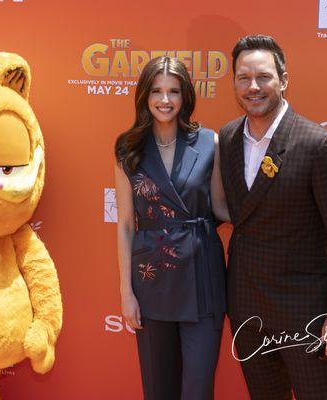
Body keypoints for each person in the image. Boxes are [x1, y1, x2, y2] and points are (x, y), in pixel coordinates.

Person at [219, 34, 327, 399]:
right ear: (234, 82)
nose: (253, 87)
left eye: (263, 77)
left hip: (306, 312)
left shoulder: (318, 144)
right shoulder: (228, 137)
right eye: (243, 77)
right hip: (247, 308)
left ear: (283, 80)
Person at [114, 56, 229, 400]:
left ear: (185, 96)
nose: (165, 100)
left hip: (203, 275)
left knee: (197, 386)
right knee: (158, 386)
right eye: (157, 91)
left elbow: (221, 208)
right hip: (152, 279)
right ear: (144, 96)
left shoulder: (211, 142)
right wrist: (126, 293)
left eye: (174, 91)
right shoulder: (128, 148)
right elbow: (124, 224)